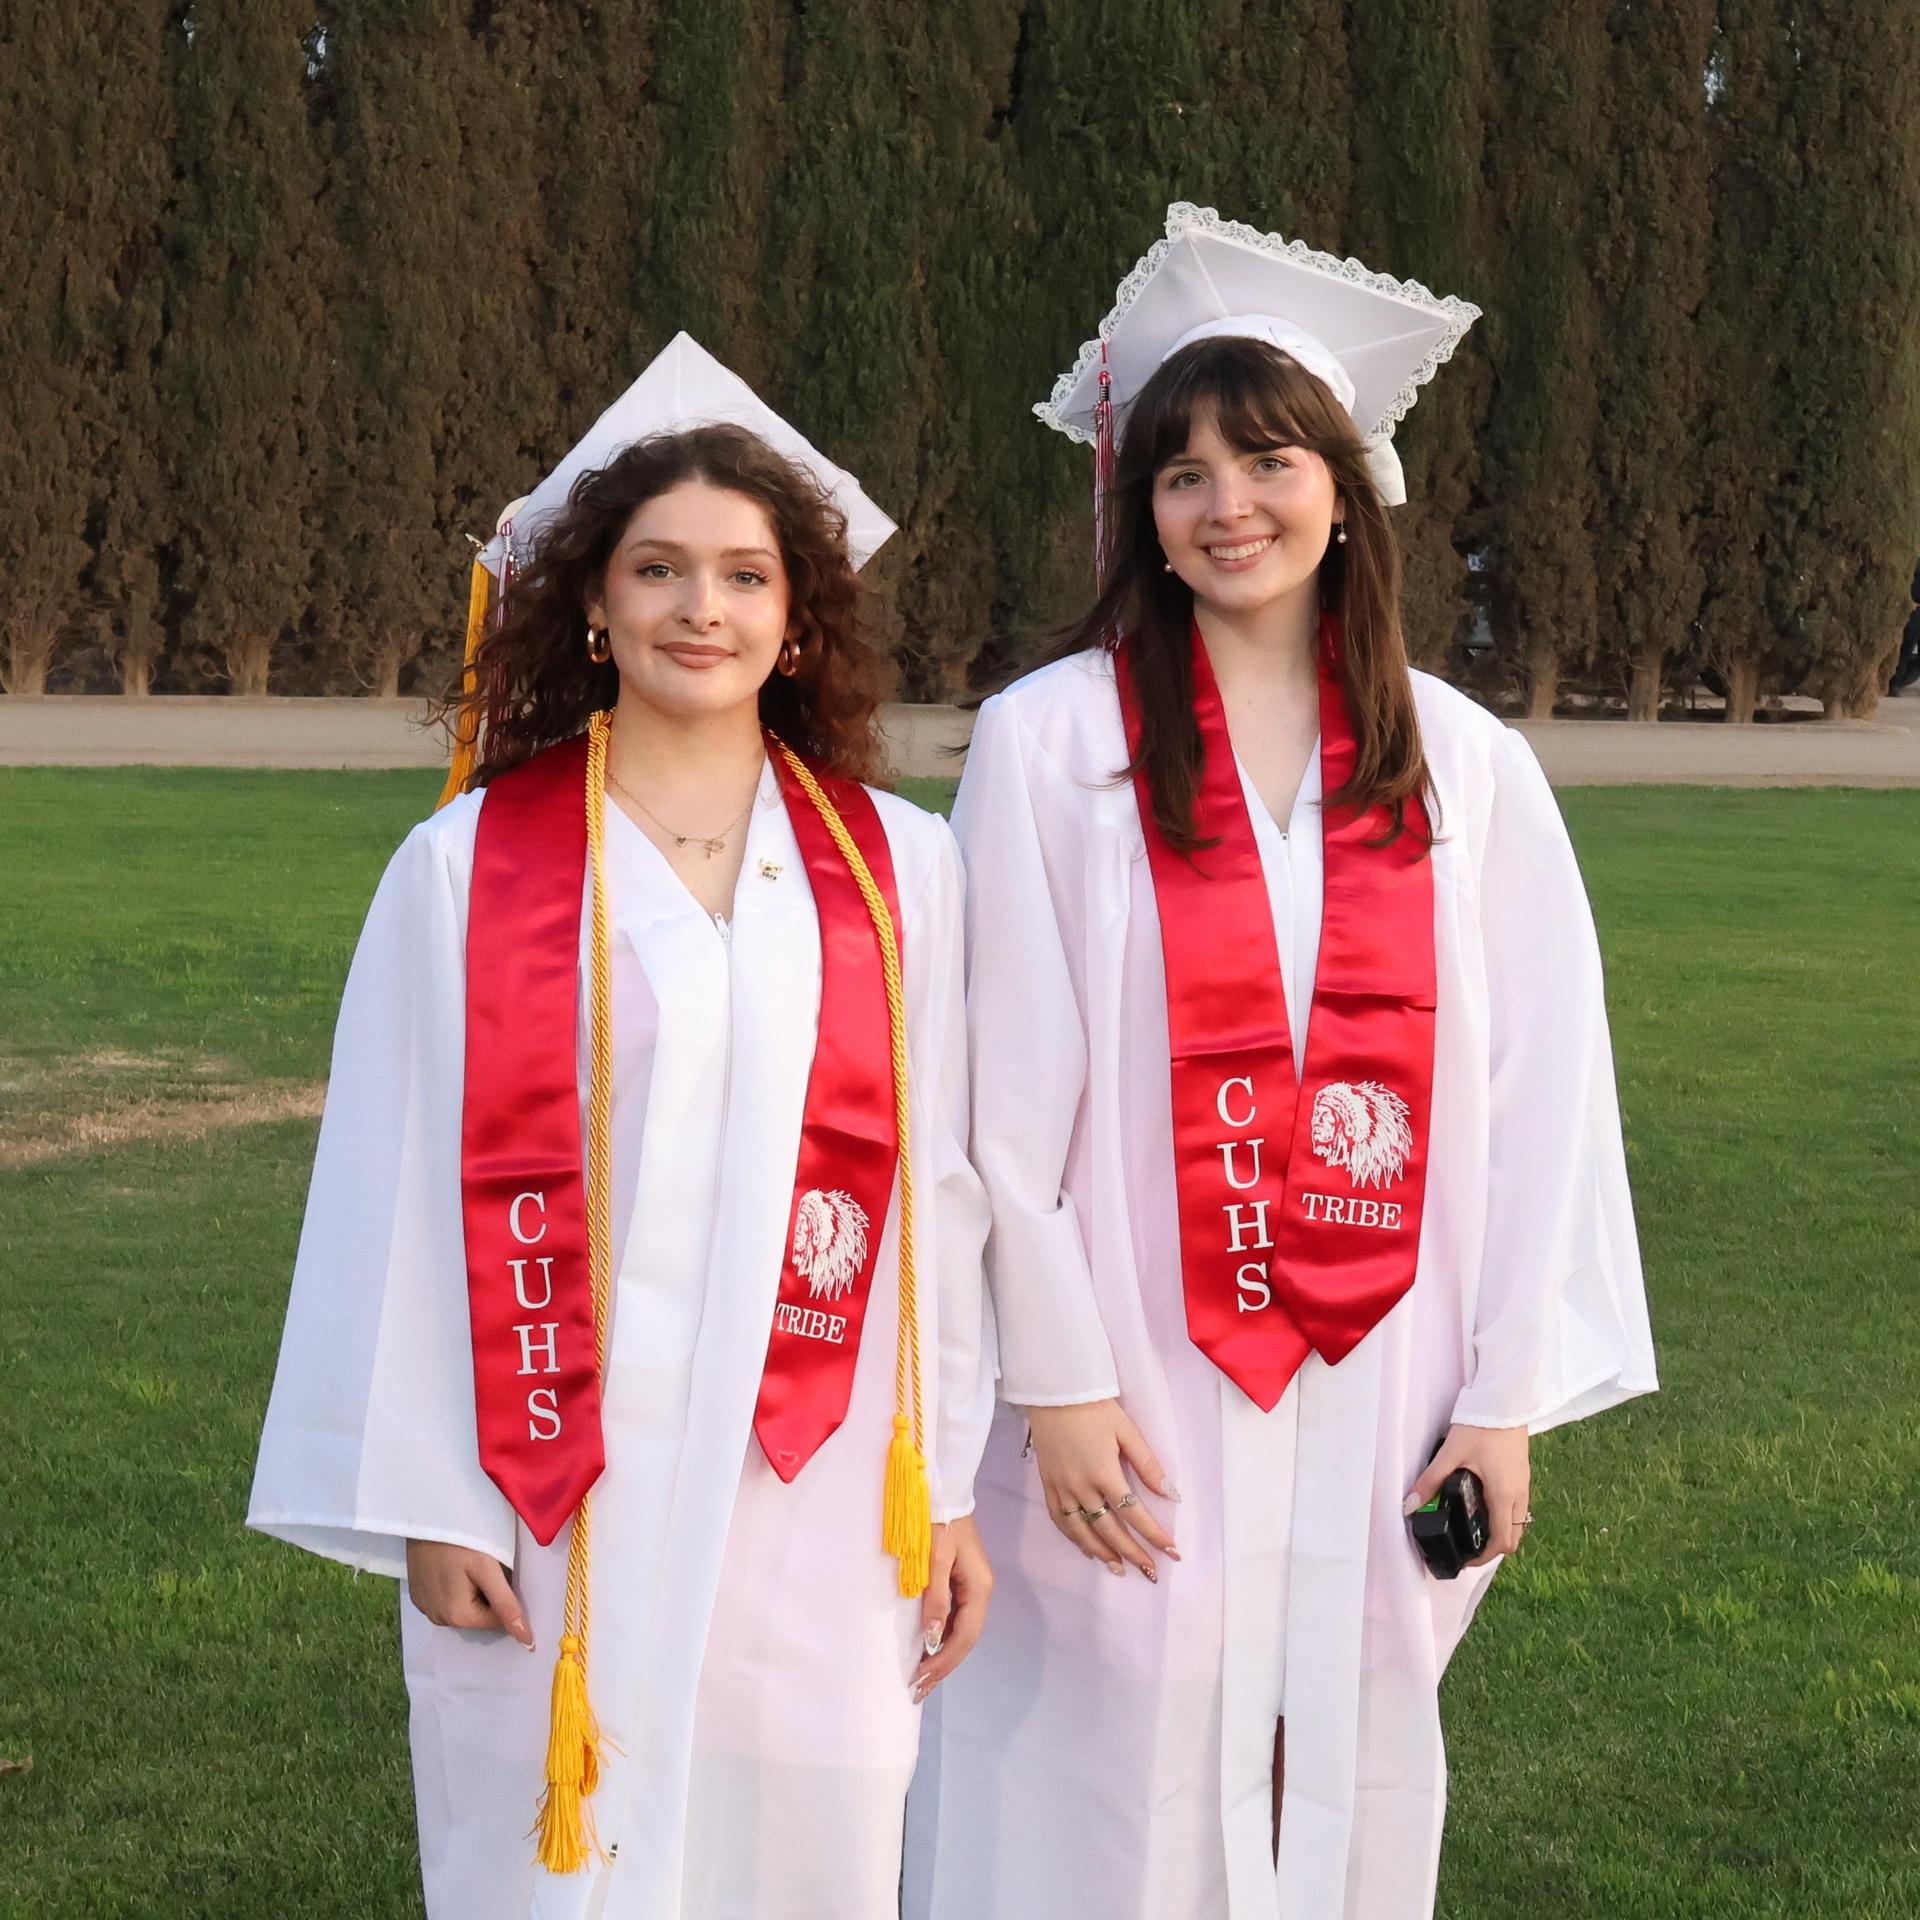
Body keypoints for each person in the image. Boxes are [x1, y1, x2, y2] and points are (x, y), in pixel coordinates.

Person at [907, 204, 1657, 1920]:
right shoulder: (1051, 746)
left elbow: (1541, 1100)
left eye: (1267, 459)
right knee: (1097, 1746)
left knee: (1351, 1747)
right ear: (1140, 514)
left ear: (1348, 482)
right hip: (1130, 1357)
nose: (1228, 504)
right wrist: (1055, 1379)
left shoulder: (1467, 767)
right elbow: (996, 1101)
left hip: (1385, 1367)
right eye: (1182, 474)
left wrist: (1502, 1399)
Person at [249, 333, 994, 1920]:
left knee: (809, 1833)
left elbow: (939, 1188)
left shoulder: (901, 869)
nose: (700, 610)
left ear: (798, 616)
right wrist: (432, 1503)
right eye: (658, 570)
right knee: (566, 1856)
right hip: (555, 1465)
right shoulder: (470, 871)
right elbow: (387, 1186)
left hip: (823, 1453)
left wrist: (945, 1485)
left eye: (741, 574)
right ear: (593, 602)